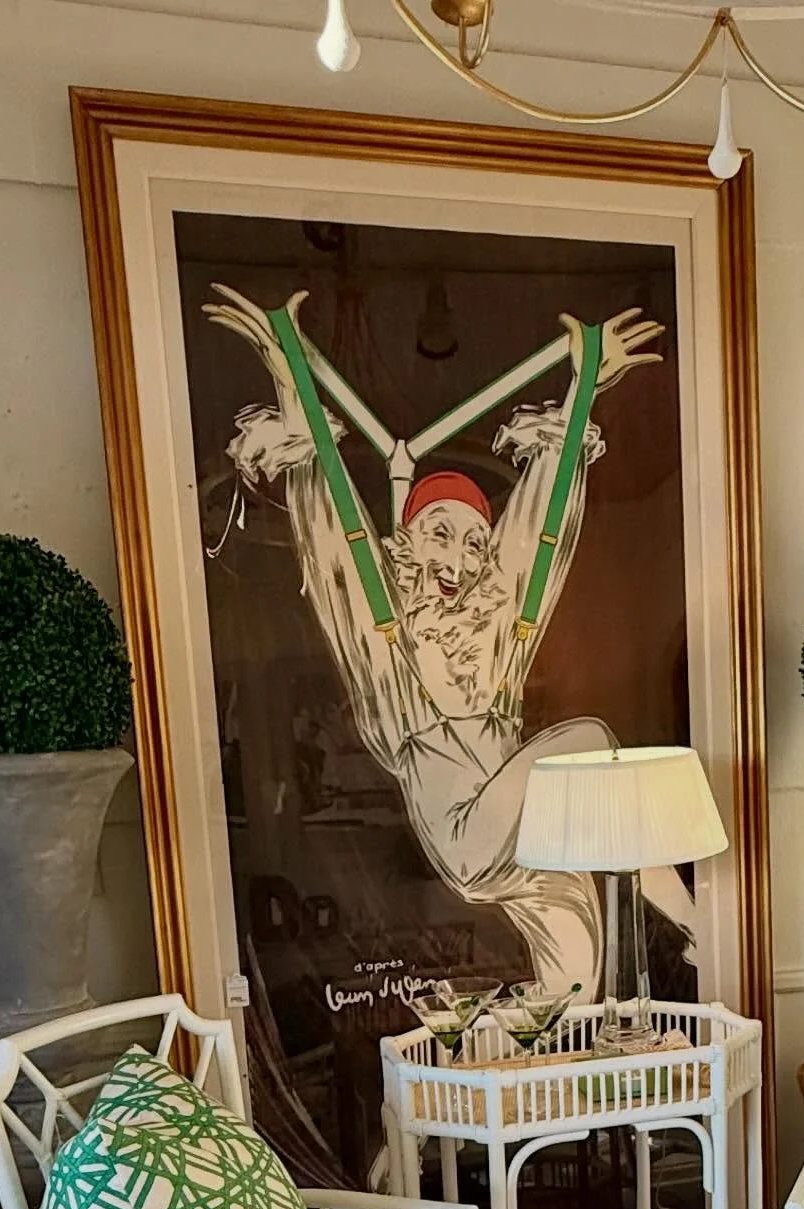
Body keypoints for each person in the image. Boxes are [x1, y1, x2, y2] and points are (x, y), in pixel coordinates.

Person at [205, 283, 697, 996]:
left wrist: (585, 386)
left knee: (574, 993)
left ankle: (527, 1045)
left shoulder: (498, 637)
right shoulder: (385, 632)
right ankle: (694, 923)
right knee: (589, 739)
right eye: (440, 533)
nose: (461, 559)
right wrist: (291, 379)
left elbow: (537, 531)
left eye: (474, 542)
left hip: (525, 843)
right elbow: (332, 526)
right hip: (465, 833)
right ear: (406, 542)